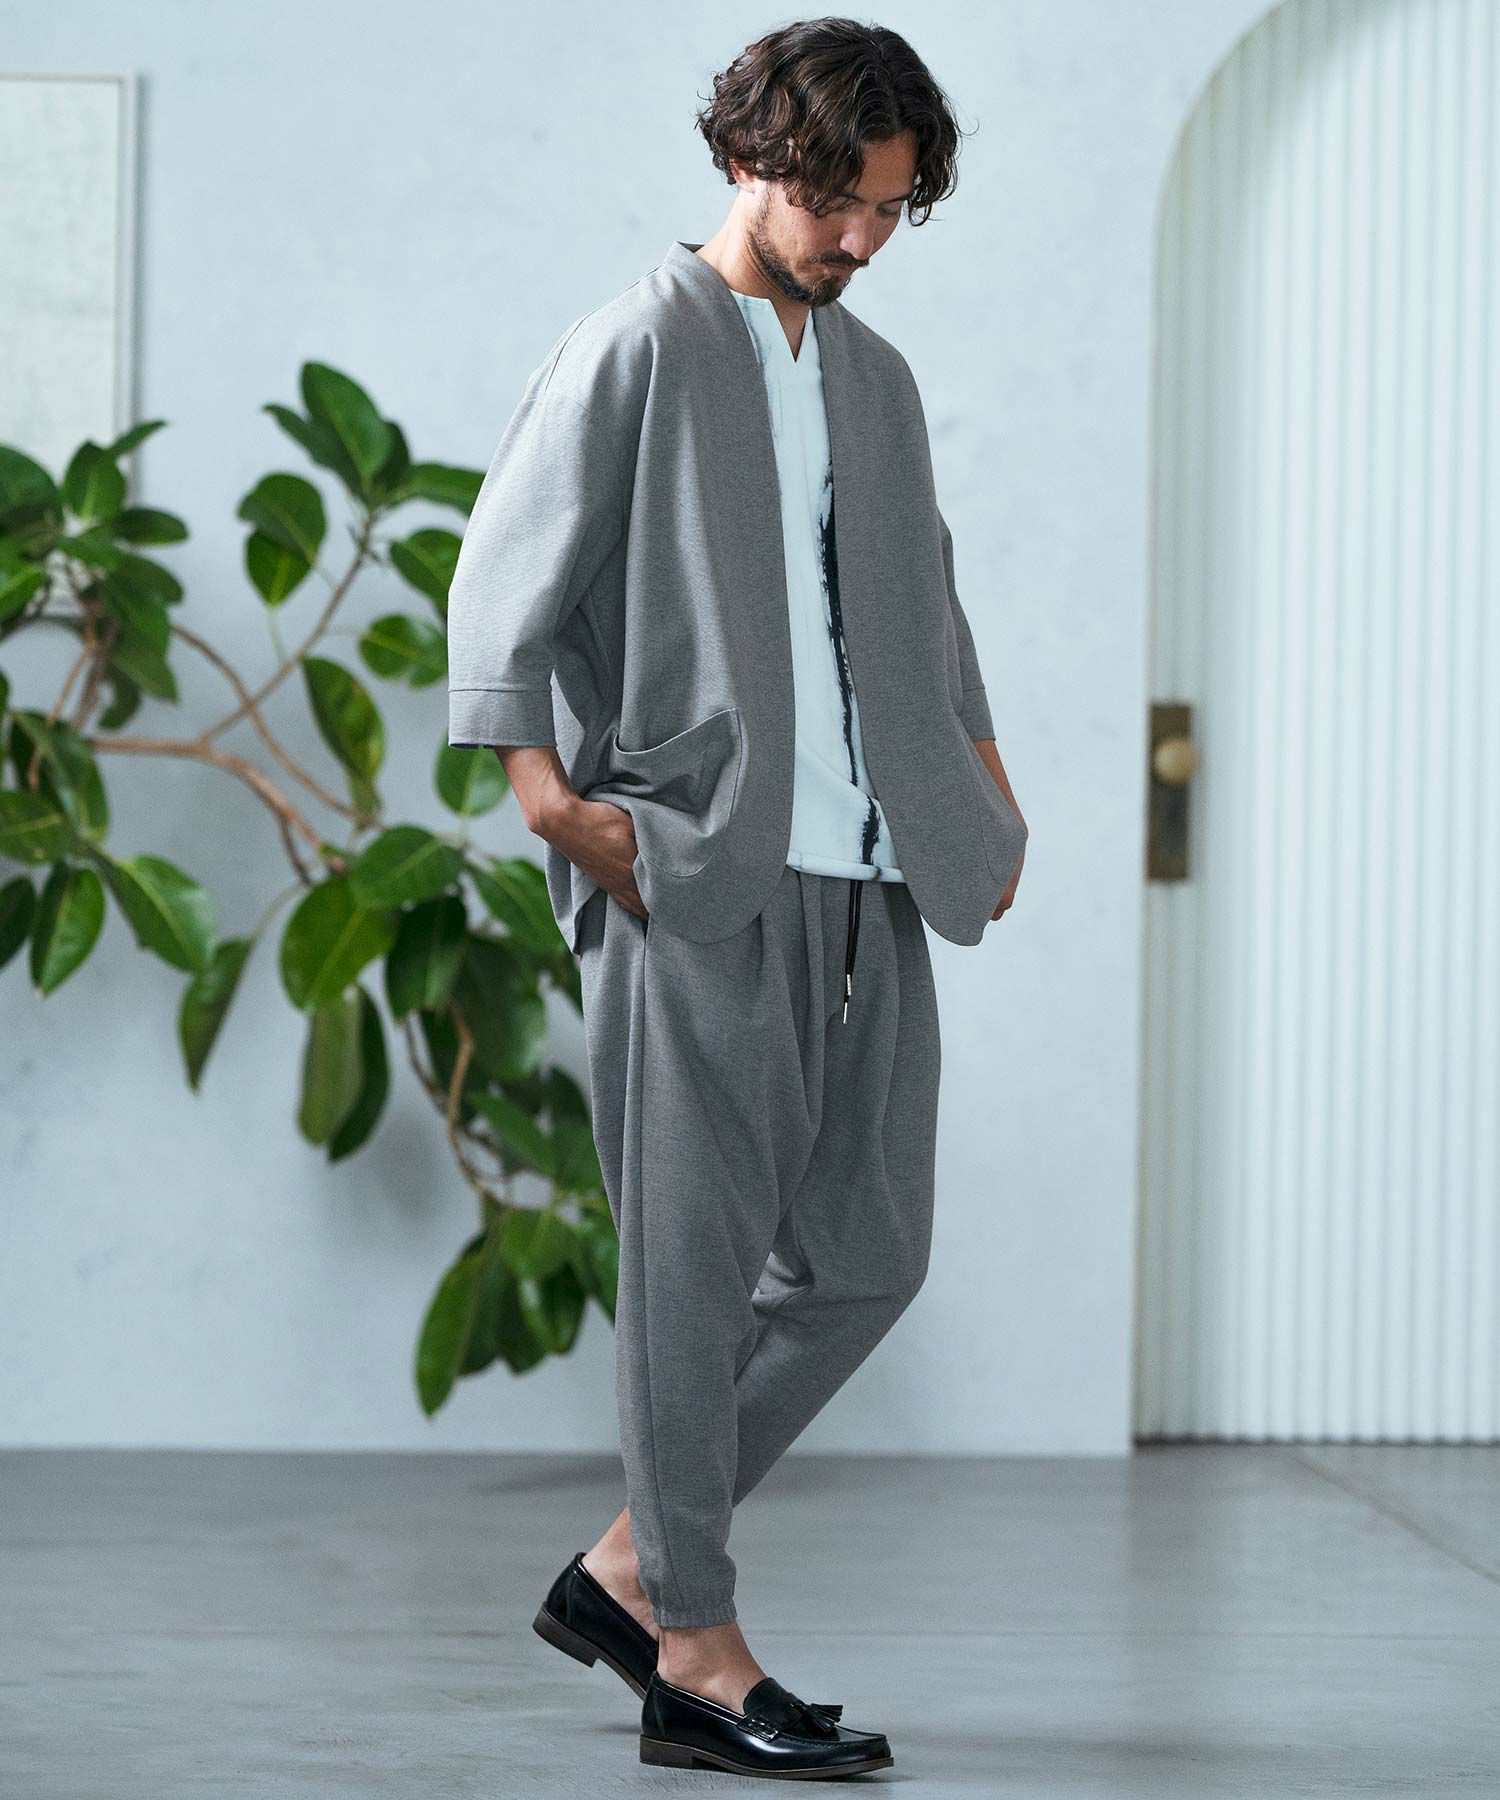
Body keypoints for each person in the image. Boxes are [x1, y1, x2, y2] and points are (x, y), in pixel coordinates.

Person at [446, 17, 1028, 1778]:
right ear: (746, 157)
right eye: (837, 200)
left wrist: (986, 792)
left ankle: (628, 1573)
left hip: (875, 874)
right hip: (696, 868)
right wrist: (559, 810)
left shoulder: (877, 380)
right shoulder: (638, 344)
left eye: (891, 211)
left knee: (868, 1256)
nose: (860, 238)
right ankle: (692, 1647)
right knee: (692, 1278)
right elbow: (499, 585)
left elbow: (928, 611)